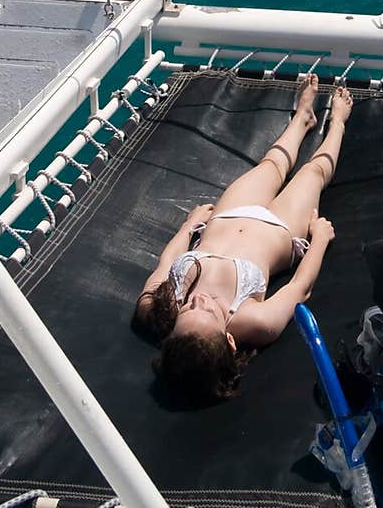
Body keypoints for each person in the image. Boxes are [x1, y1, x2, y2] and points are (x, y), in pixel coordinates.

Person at [133, 76, 353, 406]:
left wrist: (188, 227)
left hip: (229, 214)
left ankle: (303, 118)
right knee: (312, 174)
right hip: (281, 228)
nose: (199, 300)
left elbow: (166, 263)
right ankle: (337, 123)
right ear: (231, 342)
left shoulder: (154, 310)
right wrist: (319, 239)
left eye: (188, 307)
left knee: (272, 163)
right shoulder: (256, 323)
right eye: (206, 309)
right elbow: (299, 288)